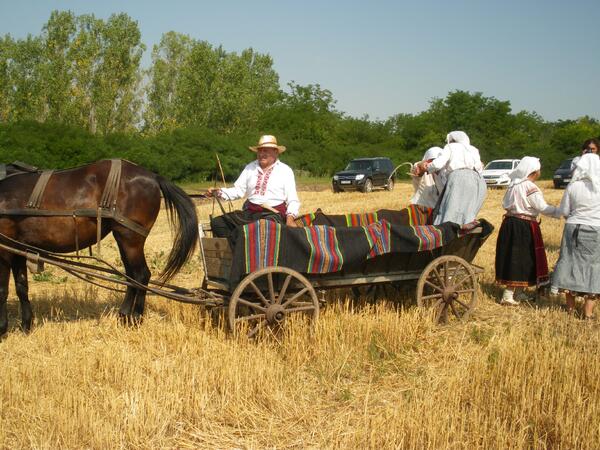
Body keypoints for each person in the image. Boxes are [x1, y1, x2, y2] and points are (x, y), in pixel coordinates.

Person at [207, 135, 300, 239]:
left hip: (272, 216)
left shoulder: (285, 171)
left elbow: (293, 199)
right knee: (217, 223)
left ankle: (242, 245)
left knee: (257, 229)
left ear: (276, 152)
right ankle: (238, 249)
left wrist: (290, 219)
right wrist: (219, 192)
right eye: (259, 151)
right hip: (250, 214)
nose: (261, 154)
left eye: (265, 151)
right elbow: (238, 190)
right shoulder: (250, 167)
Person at [495, 157, 558, 305]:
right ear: (534, 171)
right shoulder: (530, 187)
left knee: (516, 256)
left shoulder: (513, 185)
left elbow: (505, 204)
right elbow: (541, 207)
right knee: (520, 257)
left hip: (510, 223)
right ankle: (508, 294)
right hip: (523, 225)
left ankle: (519, 292)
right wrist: (560, 211)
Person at [551, 153, 600, 319]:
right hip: (596, 228)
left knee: (569, 263)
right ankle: (588, 312)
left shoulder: (573, 186)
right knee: (594, 266)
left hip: (573, 227)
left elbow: (564, 211)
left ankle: (570, 310)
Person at [417, 131, 486, 225]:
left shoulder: (450, 147)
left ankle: (444, 233)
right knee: (468, 210)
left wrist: (426, 167)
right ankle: (465, 229)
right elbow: (480, 168)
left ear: (452, 140)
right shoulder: (474, 149)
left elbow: (438, 164)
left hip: (459, 178)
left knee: (449, 210)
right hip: (479, 181)